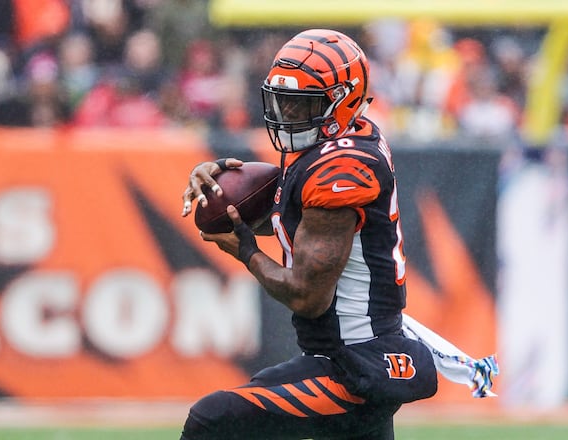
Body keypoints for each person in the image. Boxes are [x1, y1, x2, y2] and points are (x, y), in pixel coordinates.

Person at [179, 28, 439, 440]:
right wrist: (226, 195)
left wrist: (246, 251)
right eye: (282, 100)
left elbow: (307, 294)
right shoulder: (336, 142)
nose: (286, 113)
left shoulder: (342, 167)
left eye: (302, 104)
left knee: (213, 419)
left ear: (343, 99)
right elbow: (294, 222)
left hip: (354, 367)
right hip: (351, 357)